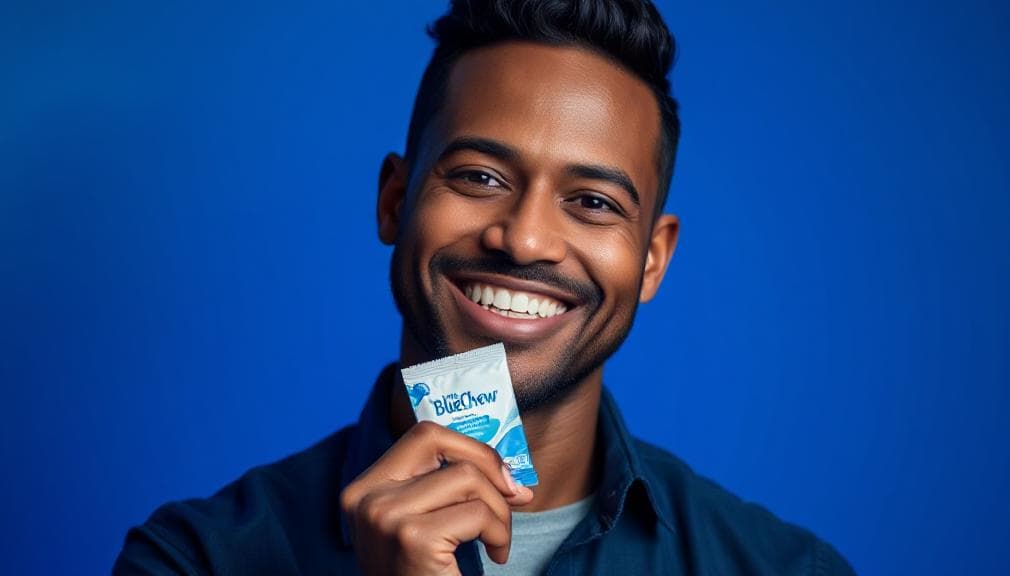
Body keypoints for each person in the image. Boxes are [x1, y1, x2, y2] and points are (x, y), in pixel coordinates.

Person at [115, 0, 855, 574]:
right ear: (394, 201)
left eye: (592, 202)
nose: (525, 240)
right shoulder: (195, 561)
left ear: (653, 261)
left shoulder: (786, 571)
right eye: (479, 177)